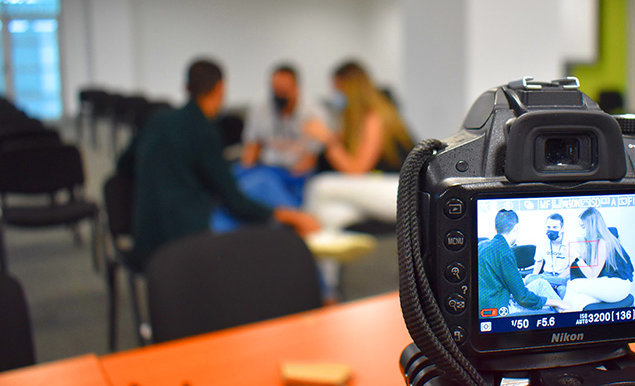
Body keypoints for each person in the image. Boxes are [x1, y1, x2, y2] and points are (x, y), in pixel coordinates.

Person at [117, 58, 318, 269]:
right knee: (263, 193)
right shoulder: (203, 131)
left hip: (146, 239)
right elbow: (235, 202)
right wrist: (288, 216)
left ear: (185, 87)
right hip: (187, 242)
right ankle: (313, 270)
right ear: (221, 87)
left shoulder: (156, 120)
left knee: (258, 183)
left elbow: (123, 167)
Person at [303, 60, 414, 230]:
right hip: (383, 188)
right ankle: (330, 256)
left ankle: (306, 248)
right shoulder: (355, 122)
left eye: (337, 89)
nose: (334, 94)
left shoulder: (374, 118)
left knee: (320, 187)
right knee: (333, 213)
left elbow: (356, 171)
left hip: (399, 191)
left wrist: (328, 140)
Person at [238, 64, 324, 205]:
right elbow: (251, 149)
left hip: (296, 175)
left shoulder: (313, 113)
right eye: (276, 90)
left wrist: (274, 181)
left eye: (284, 90)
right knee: (240, 177)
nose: (279, 95)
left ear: (296, 88)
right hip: (266, 168)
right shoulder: (260, 109)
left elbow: (309, 160)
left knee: (269, 186)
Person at [478, 209, 564, 315]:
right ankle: (569, 314)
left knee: (541, 283)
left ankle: (566, 311)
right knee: (551, 310)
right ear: (516, 228)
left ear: (496, 228)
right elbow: (523, 298)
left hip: (491, 301)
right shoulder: (505, 253)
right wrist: (557, 302)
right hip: (500, 309)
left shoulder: (481, 246)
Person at [558, 207, 634, 311]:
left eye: (583, 227)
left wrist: (577, 257)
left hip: (618, 287)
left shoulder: (604, 242)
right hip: (611, 284)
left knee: (573, 285)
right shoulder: (596, 243)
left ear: (591, 226)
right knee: (578, 301)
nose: (581, 230)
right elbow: (587, 268)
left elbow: (592, 276)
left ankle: (560, 316)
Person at [525, 213, 570, 296]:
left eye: (555, 227)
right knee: (529, 279)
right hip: (547, 275)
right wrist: (534, 277)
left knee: (563, 290)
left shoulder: (569, 242)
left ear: (562, 229)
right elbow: (539, 261)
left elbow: (571, 267)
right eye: (549, 227)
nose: (551, 230)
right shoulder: (542, 241)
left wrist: (558, 279)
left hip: (563, 276)